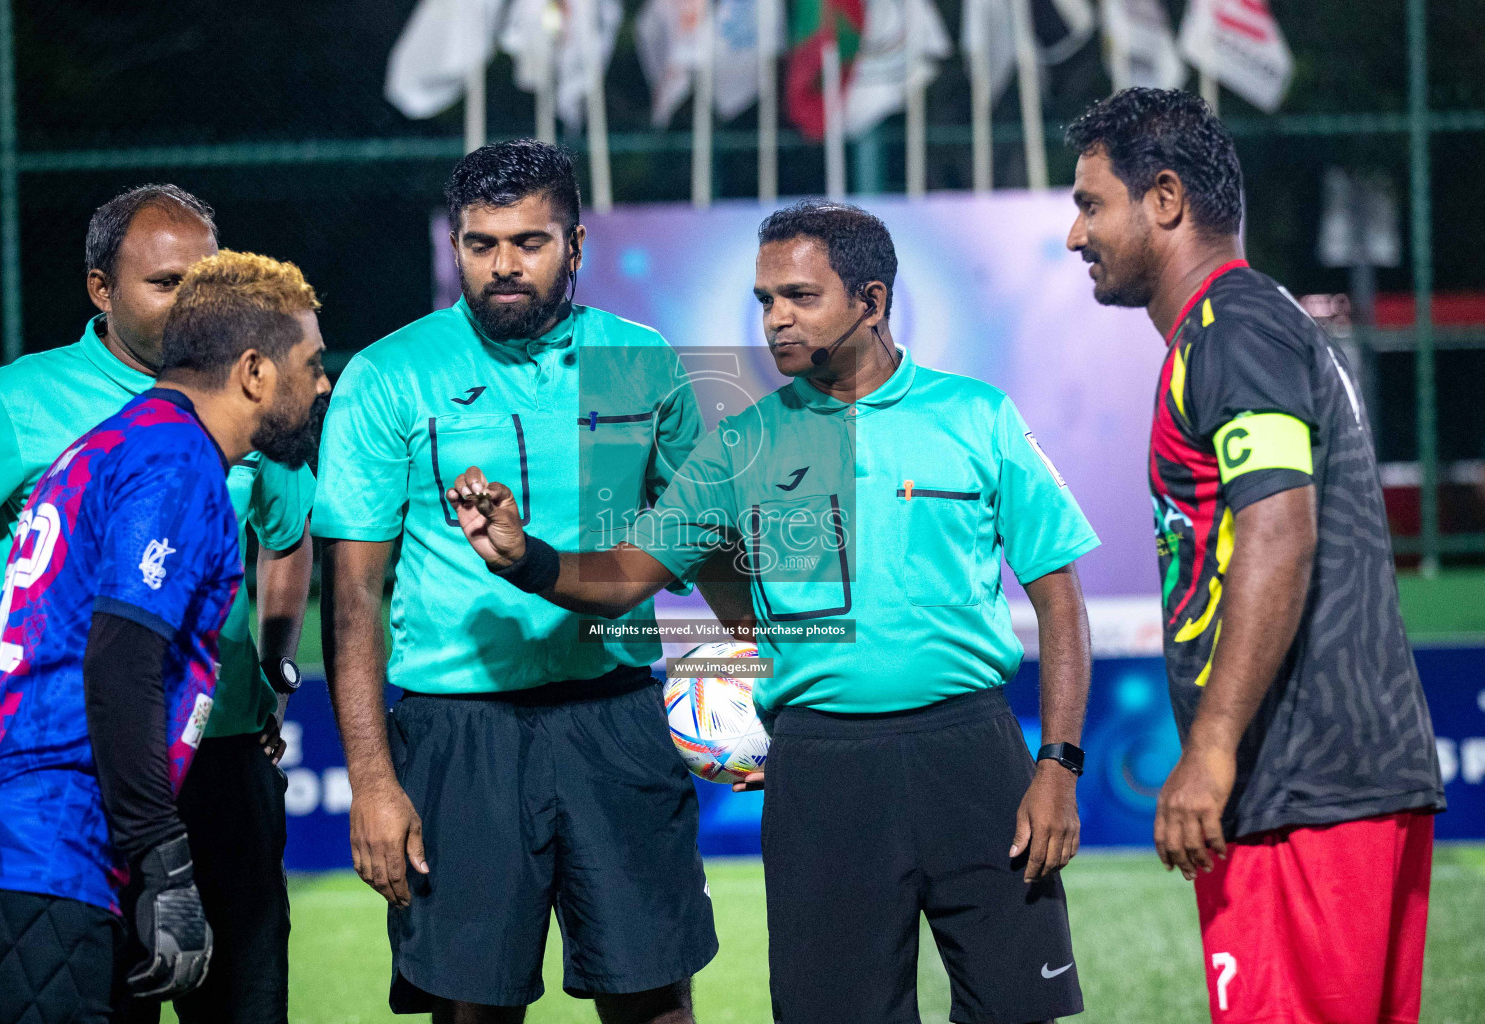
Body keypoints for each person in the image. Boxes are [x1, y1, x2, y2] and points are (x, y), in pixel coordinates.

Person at [448, 199, 1098, 1024]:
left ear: (872, 299)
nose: (775, 320)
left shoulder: (978, 415)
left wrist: (1058, 765)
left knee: (1019, 1012)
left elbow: (1058, 597)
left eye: (799, 297)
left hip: (974, 756)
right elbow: (623, 575)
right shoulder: (742, 444)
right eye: (763, 301)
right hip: (820, 768)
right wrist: (525, 557)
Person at [313, 140, 725, 1023]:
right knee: (472, 1008)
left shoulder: (639, 359)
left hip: (615, 714)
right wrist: (373, 783)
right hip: (456, 733)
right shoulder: (391, 373)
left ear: (575, 246)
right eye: (479, 244)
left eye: (529, 242)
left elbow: (708, 541)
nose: (503, 266)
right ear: (454, 246)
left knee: (655, 996)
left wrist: (747, 680)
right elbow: (353, 603)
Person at [1063, 88, 1446, 1024]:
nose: (1076, 236)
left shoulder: (1232, 329)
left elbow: (1280, 527)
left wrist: (1212, 747)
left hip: (1304, 789)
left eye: (1089, 204)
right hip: (1343, 783)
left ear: (1163, 198)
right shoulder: (1252, 323)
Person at [0, 185, 317, 1024]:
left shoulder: (238, 406)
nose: (191, 304)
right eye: (163, 283)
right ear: (99, 290)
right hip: (78, 783)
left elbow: (289, 535)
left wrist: (271, 668)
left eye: (205, 280)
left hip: (217, 758)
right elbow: (119, 658)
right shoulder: (33, 408)